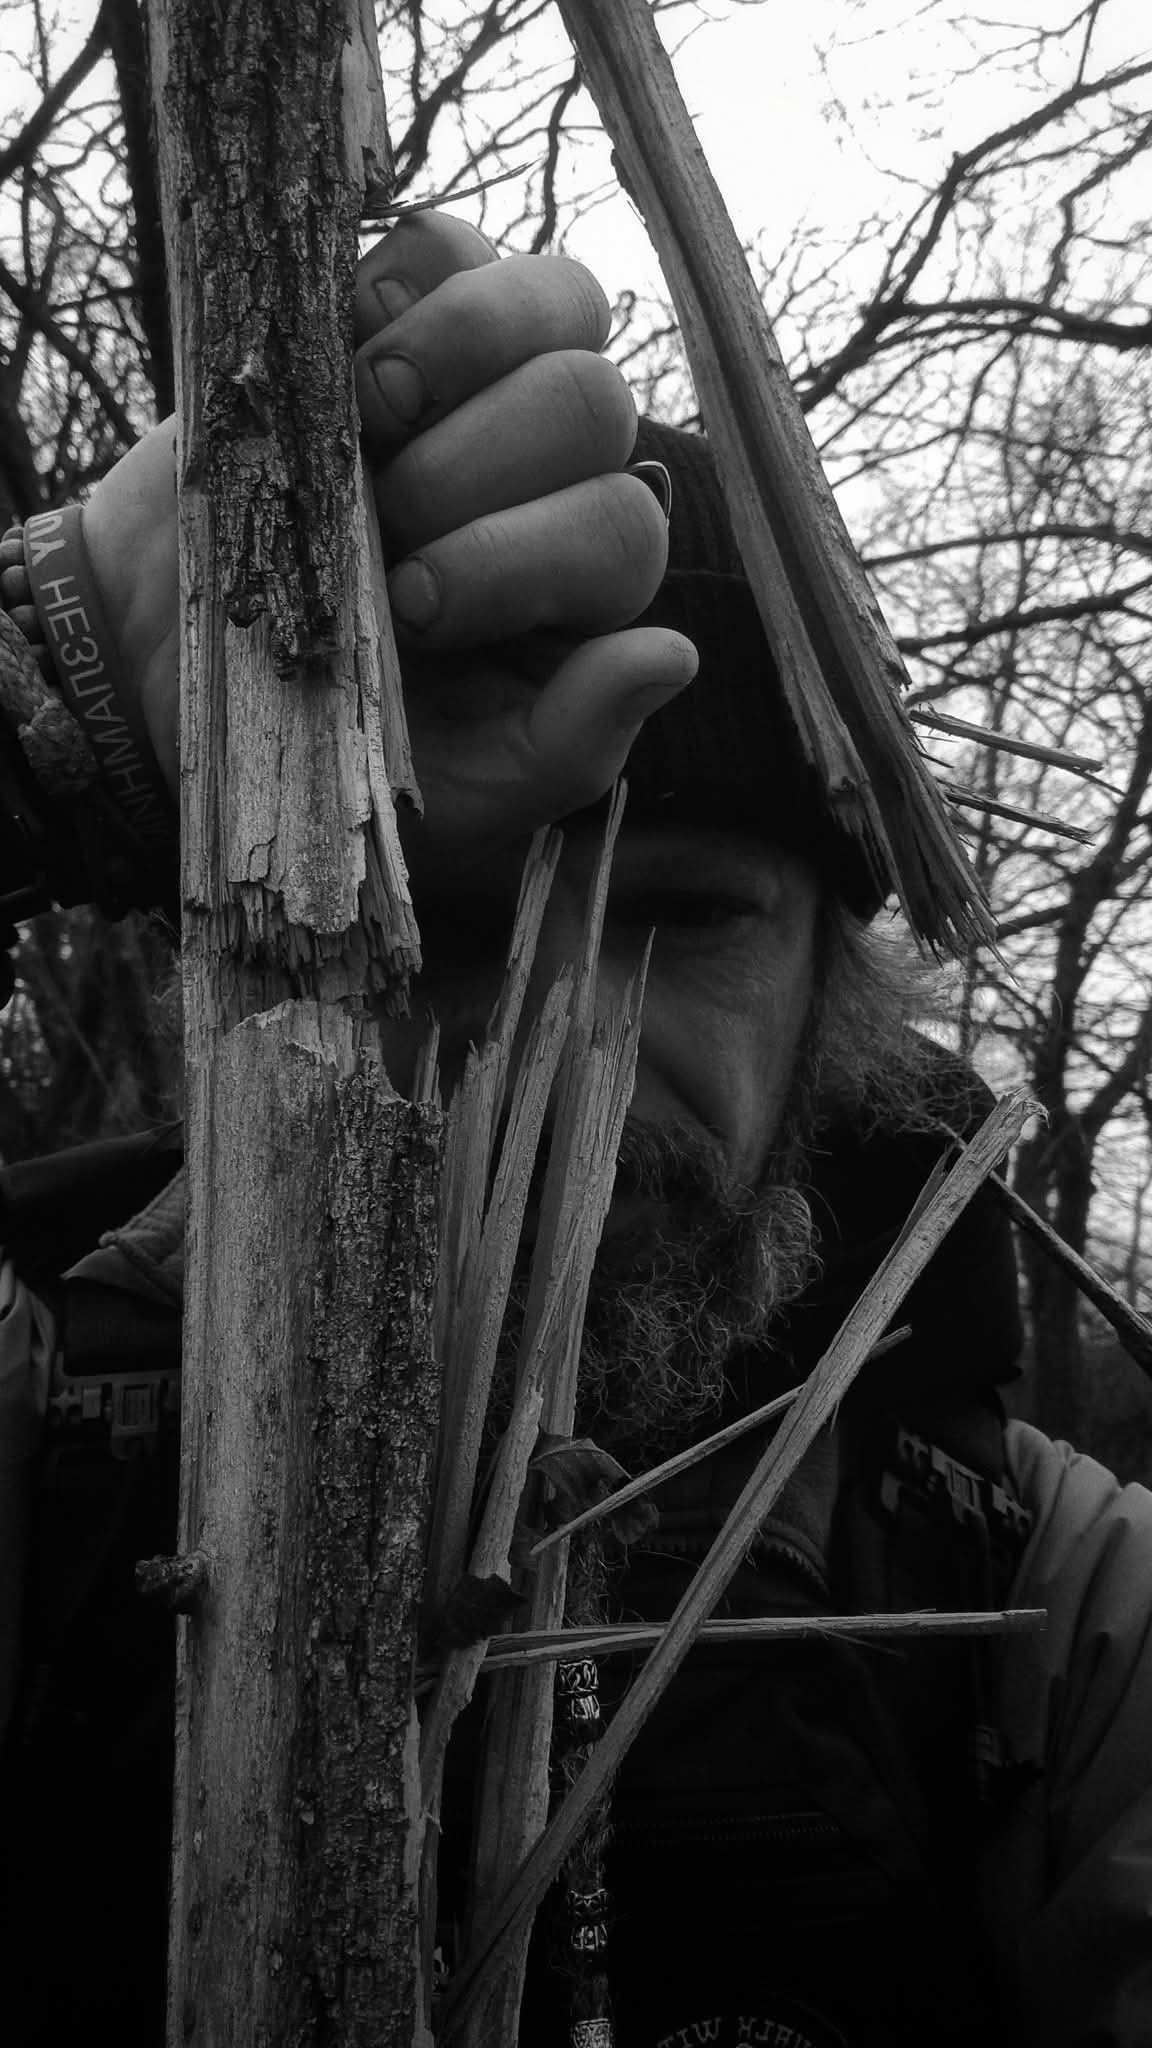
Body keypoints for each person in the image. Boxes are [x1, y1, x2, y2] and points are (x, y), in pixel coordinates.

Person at [1, 211, 1151, 2046]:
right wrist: (47, 701)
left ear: (836, 1001)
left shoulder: (1059, 1611)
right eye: (449, 924)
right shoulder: (45, 1440)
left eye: (683, 917)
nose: (562, 1043)